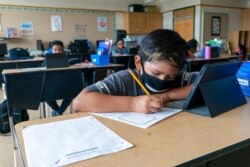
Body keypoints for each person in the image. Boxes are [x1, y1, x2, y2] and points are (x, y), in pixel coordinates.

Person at [73, 29, 198, 114]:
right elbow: (79, 102)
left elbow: (207, 83)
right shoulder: (124, 80)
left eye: (170, 76)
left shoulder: (180, 78)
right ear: (138, 63)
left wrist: (167, 96)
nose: (162, 79)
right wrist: (132, 104)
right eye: (155, 73)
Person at [45, 40, 72, 116]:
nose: (57, 52)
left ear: (63, 51)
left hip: (65, 86)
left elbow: (76, 60)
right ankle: (58, 111)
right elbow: (40, 68)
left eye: (59, 50)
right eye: (55, 50)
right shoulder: (47, 60)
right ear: (51, 51)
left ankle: (58, 112)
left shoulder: (67, 59)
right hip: (51, 87)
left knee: (73, 91)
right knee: (44, 93)